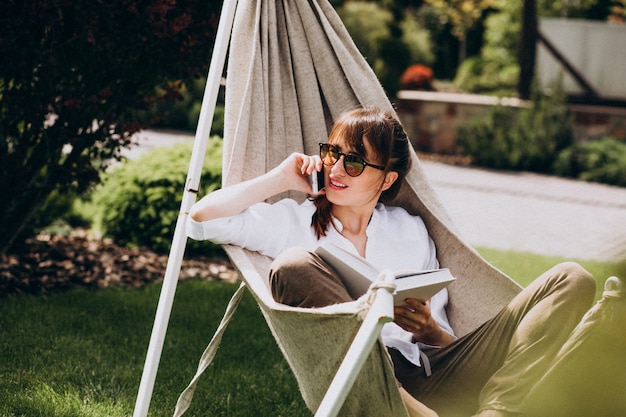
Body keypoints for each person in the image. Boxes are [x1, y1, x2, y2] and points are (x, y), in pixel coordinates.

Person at [187, 107, 599, 417]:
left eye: (354, 161)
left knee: (571, 278)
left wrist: (430, 329)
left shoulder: (409, 229)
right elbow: (201, 219)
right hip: (367, 380)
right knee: (294, 264)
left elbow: (440, 343)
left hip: (430, 372)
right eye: (332, 154)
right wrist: (280, 178)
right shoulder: (291, 223)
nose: (336, 169)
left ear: (387, 180)